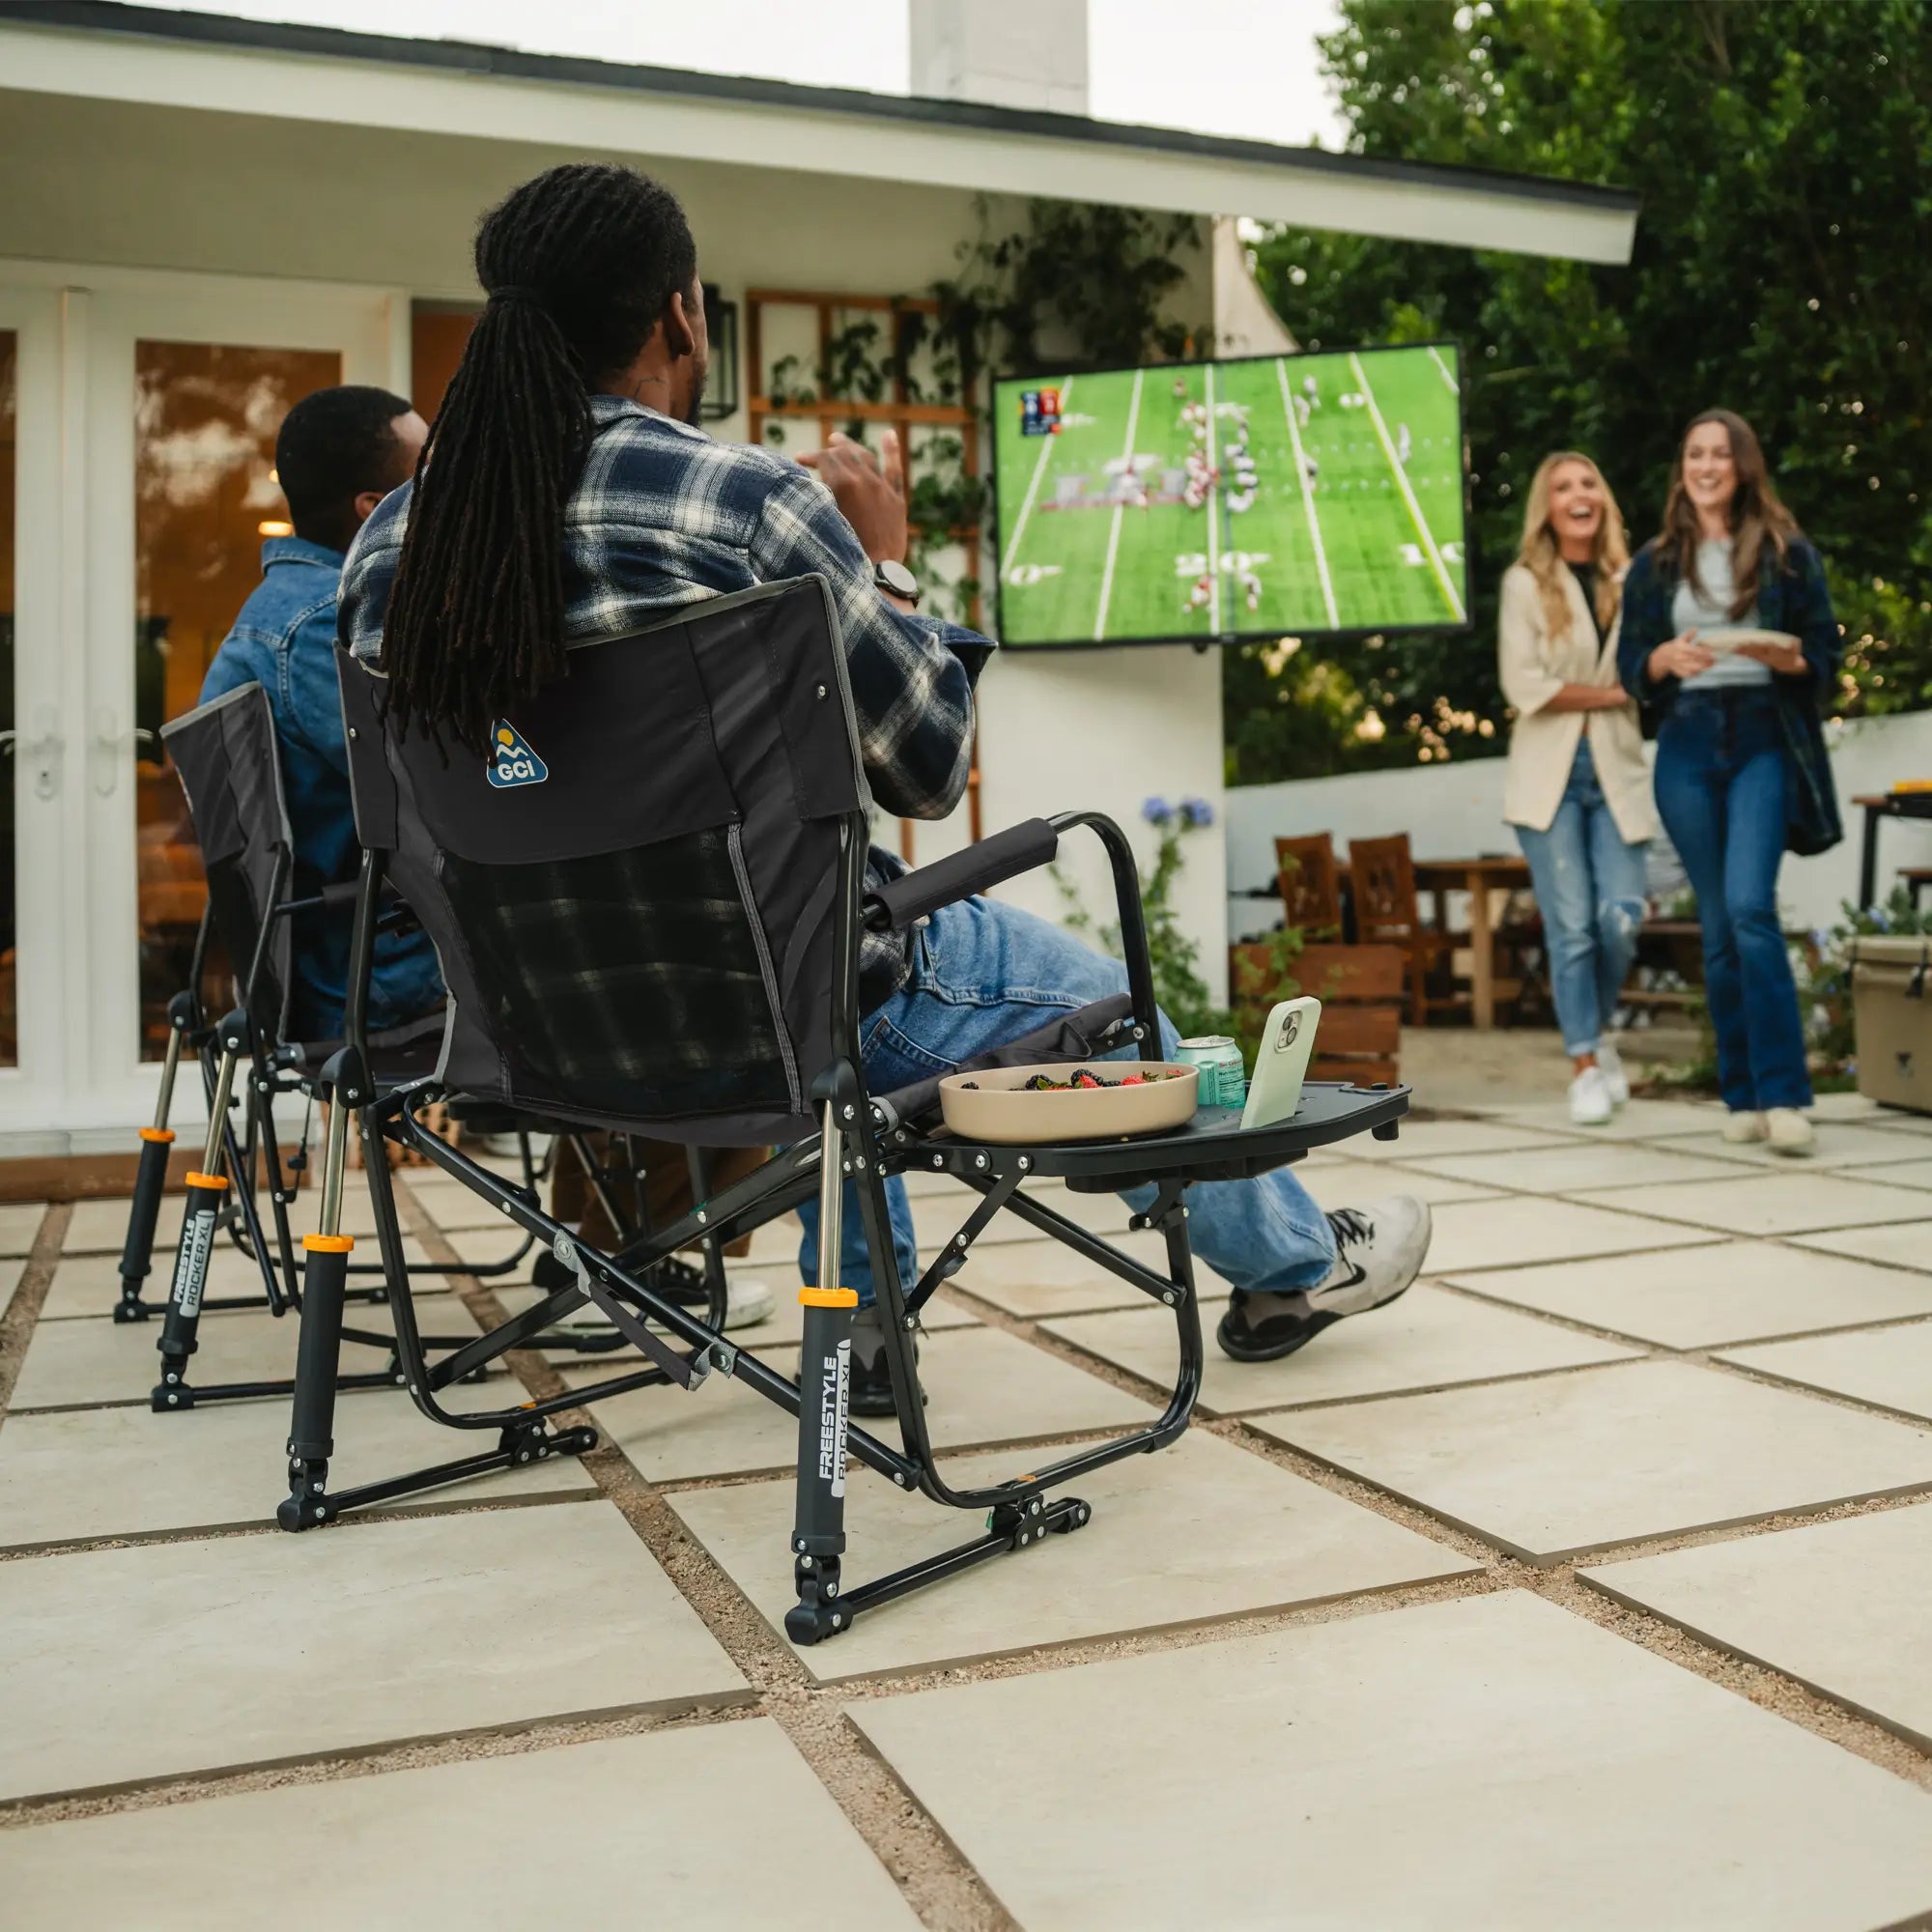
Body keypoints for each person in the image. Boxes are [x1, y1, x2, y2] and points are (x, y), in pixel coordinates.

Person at [337, 161, 1431, 1410]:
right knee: (1082, 1010)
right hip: (786, 1001)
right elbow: (925, 766)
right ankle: (1295, 1261)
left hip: (536, 1025)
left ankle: (862, 1340)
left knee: (836, 988)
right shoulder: (749, 505)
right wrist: (888, 567)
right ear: (681, 316)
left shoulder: (384, 550)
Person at [1617, 410, 1843, 1154]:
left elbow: (1824, 656)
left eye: (1720, 453)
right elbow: (1631, 667)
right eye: (1695, 453)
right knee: (1716, 932)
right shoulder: (1652, 563)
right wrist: (1661, 663)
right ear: (1683, 467)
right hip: (1687, 741)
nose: (1706, 464)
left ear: (1743, 465)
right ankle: (1741, 1093)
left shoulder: (1786, 552)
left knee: (1751, 910)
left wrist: (1791, 661)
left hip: (1762, 738)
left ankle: (1786, 1096)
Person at [200, 385, 440, 1041]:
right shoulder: (326, 630)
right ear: (375, 510)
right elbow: (441, 791)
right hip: (379, 976)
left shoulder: (282, 615)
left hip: (354, 955)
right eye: (432, 471)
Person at [1497, 453, 1657, 1124]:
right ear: (1549, 506)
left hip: (1617, 771)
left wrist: (1625, 690)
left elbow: (1652, 668)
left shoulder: (1636, 578)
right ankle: (1585, 1064)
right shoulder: (1525, 583)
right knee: (1571, 931)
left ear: (1604, 498)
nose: (1578, 494)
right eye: (1563, 487)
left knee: (1619, 920)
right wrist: (1614, 693)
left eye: (1589, 481)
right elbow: (1524, 686)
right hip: (1549, 779)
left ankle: (1597, 1035)